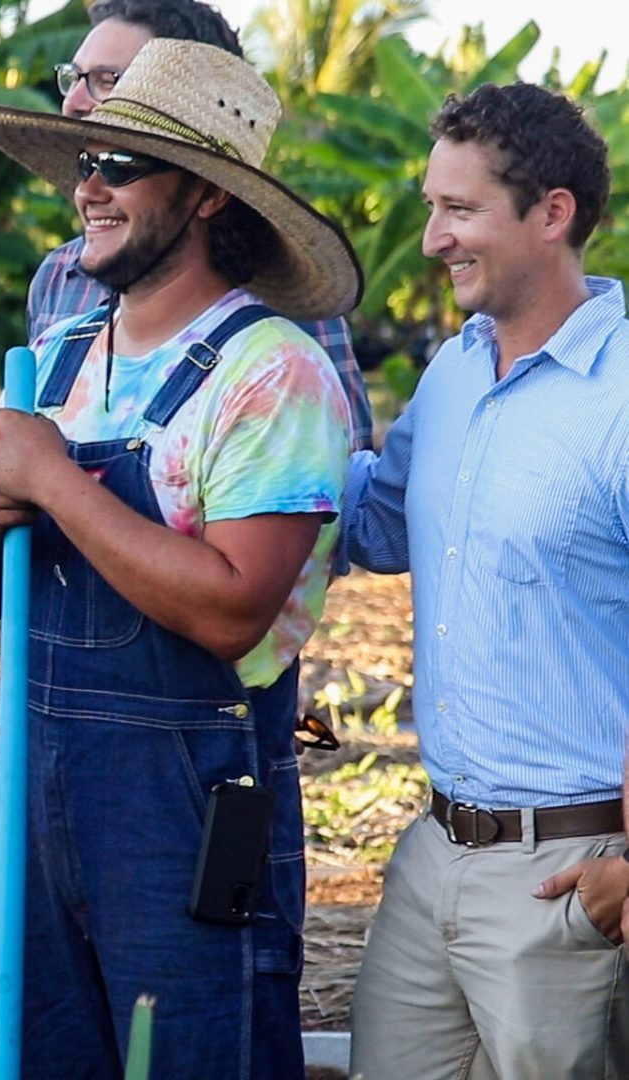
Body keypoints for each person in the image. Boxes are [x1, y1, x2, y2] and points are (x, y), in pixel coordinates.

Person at [0, 38, 360, 1077]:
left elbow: (233, 610)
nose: (89, 186)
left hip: (189, 806)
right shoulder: (59, 357)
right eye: (86, 162)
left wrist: (50, 483)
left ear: (210, 197)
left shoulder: (276, 374)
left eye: (121, 165)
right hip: (36, 791)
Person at [344, 83, 629, 1079]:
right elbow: (376, 523)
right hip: (432, 854)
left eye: (458, 211)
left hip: (572, 868)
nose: (431, 240)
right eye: (431, 207)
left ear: (552, 213)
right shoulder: (452, 374)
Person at [32, 0, 373, 452]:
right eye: (73, 78)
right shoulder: (59, 276)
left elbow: (337, 466)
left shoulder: (283, 309)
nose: (73, 103)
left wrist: (47, 479)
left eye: (107, 81)